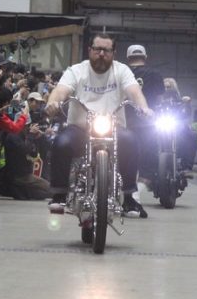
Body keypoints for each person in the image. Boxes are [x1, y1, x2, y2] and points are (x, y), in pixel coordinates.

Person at [44, 33, 154, 218]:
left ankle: (128, 196)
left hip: (113, 128)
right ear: (90, 50)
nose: (101, 54)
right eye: (97, 49)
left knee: (132, 141)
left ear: (113, 53)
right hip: (80, 129)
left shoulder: (122, 71)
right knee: (61, 142)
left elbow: (134, 91)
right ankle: (59, 193)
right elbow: (61, 90)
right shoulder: (76, 71)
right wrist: (53, 102)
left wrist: (144, 108)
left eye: (106, 50)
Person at [125, 44, 164, 189]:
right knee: (149, 152)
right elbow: (160, 98)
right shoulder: (155, 74)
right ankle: (142, 183)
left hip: (124, 121)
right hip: (148, 121)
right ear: (145, 57)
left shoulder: (122, 72)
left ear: (128, 58)